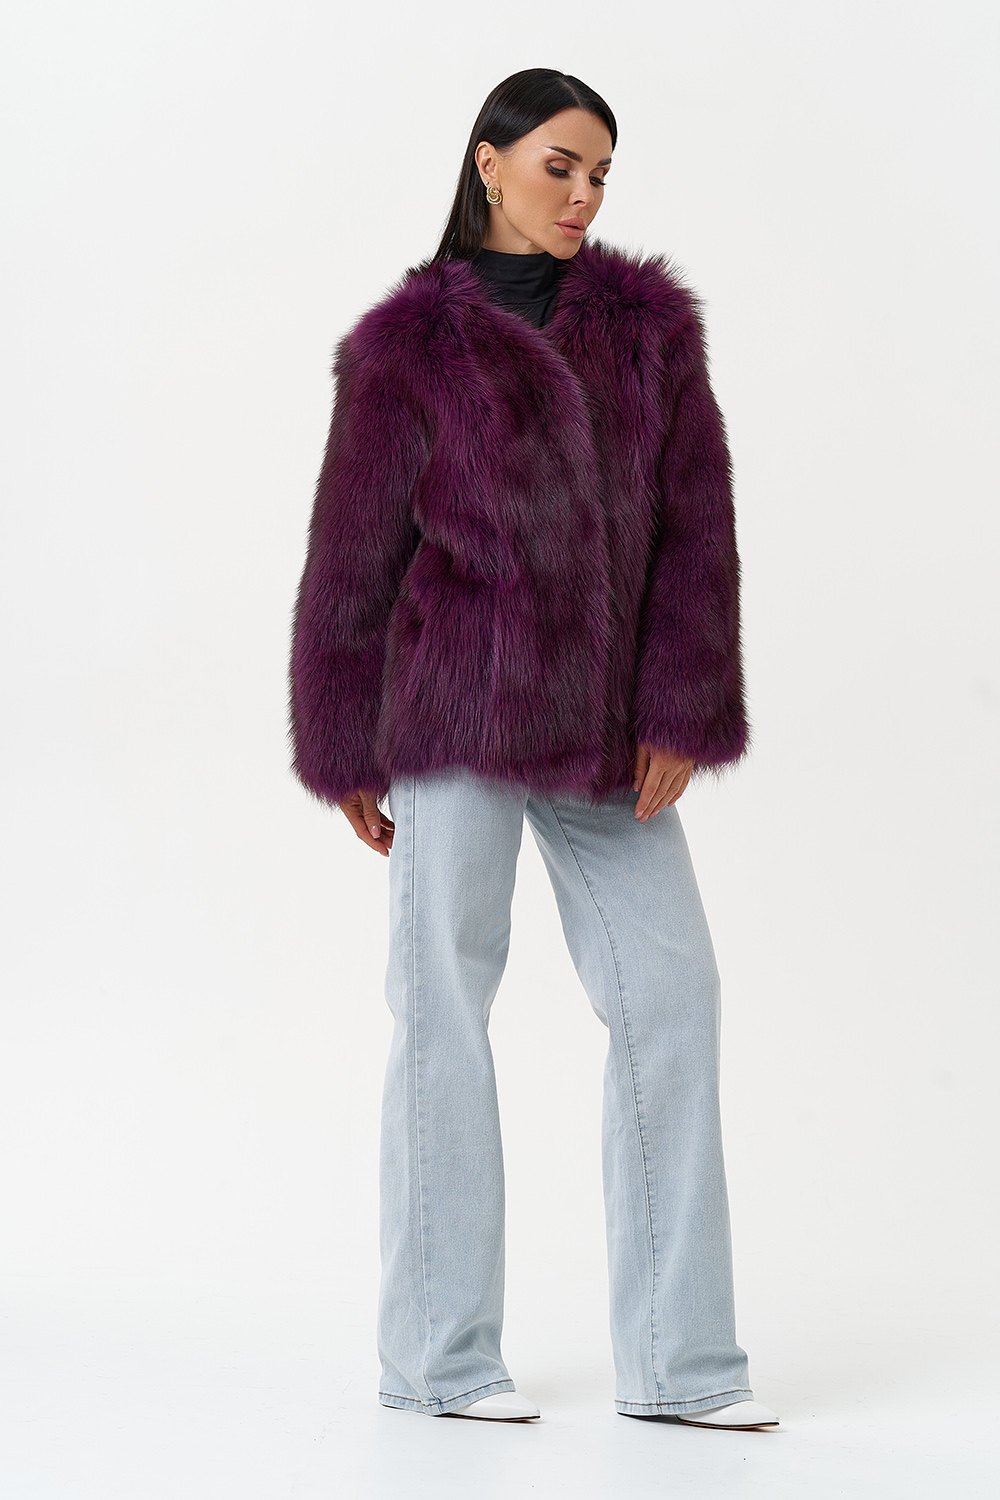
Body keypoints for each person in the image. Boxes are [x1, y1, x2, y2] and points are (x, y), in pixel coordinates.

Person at [287, 67, 779, 1432]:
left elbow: (698, 526)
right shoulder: (402, 347)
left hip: (611, 728)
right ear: (489, 162)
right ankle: (439, 1360)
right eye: (560, 164)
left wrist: (684, 705)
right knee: (443, 1008)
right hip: (453, 709)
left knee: (672, 994)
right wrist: (345, 744)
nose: (583, 194)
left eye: (601, 174)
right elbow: (353, 552)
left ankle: (683, 1364)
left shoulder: (650, 331)